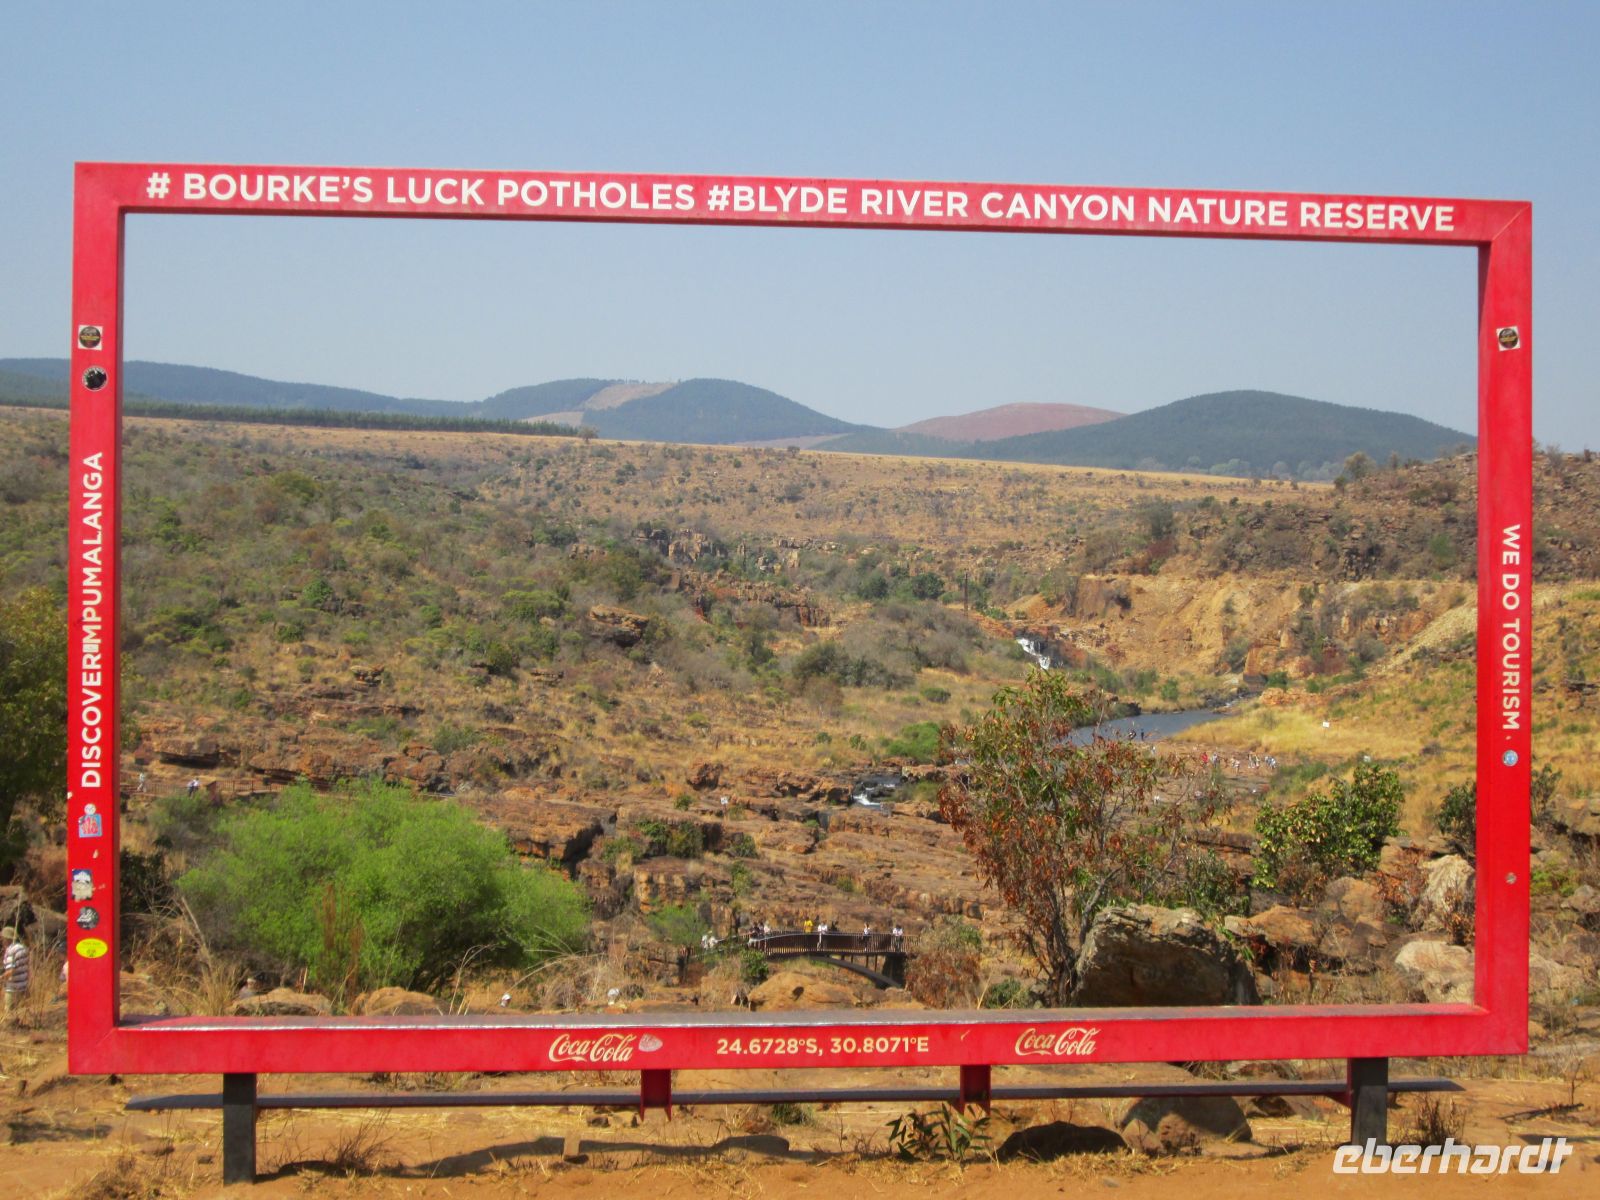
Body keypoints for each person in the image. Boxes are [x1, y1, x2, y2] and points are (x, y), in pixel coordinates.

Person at [2, 927, 29, 1023]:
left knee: (9, 1012)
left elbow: (11, 970)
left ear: (6, 938)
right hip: (23, 985)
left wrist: (2, 978)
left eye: (3, 938)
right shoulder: (23, 948)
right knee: (20, 1011)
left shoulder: (11, 951)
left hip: (13, 987)